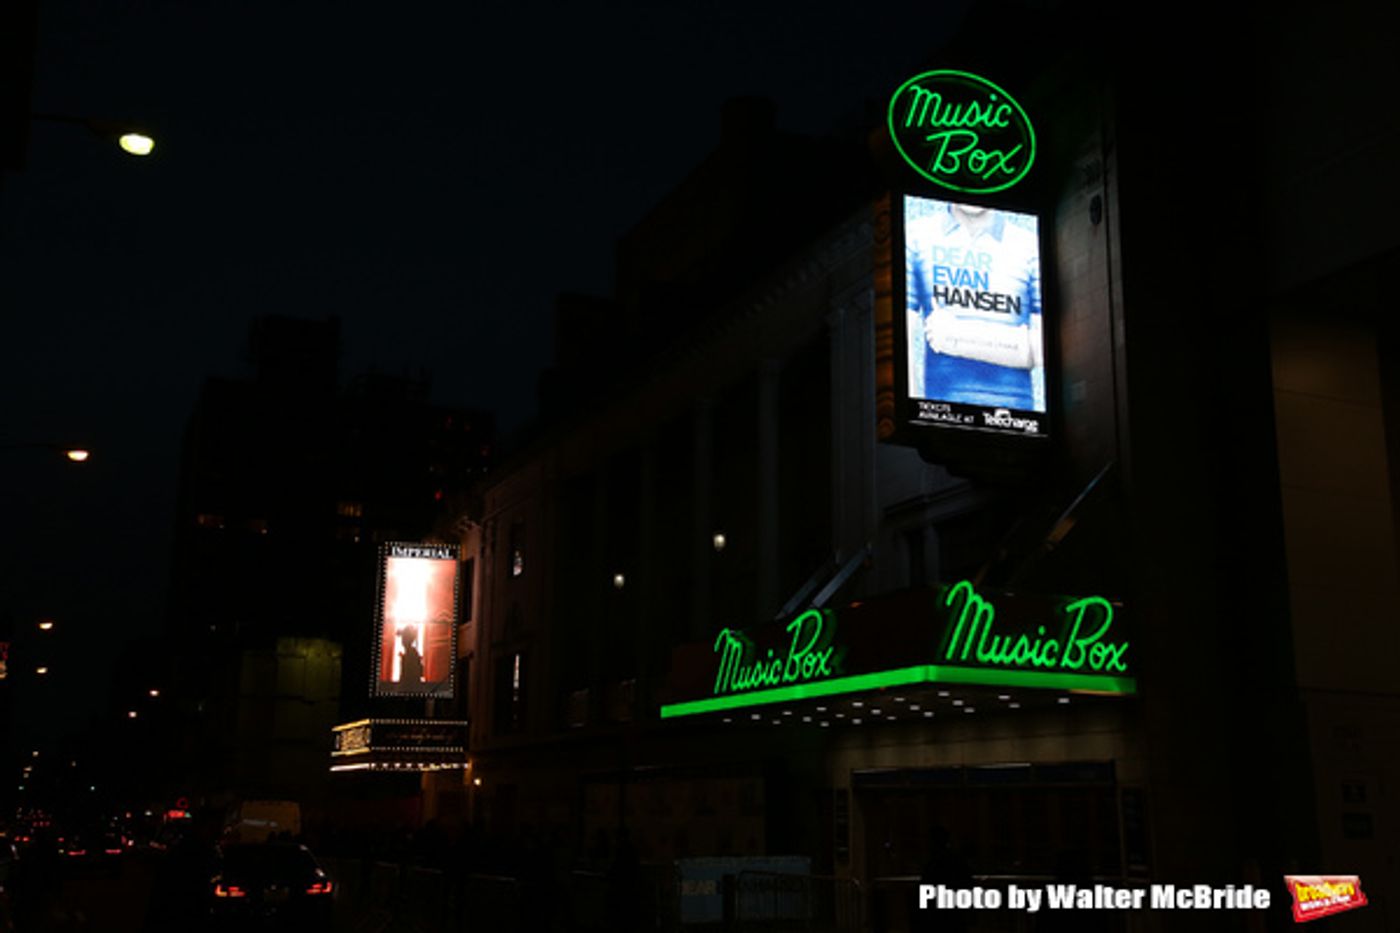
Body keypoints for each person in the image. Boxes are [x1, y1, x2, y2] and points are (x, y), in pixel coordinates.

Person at [906, 197, 1045, 413]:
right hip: (943, 417)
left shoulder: (1029, 245)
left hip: (1016, 417)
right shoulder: (916, 235)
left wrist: (956, 336)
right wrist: (916, 414)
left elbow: (1044, 349)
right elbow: (903, 340)